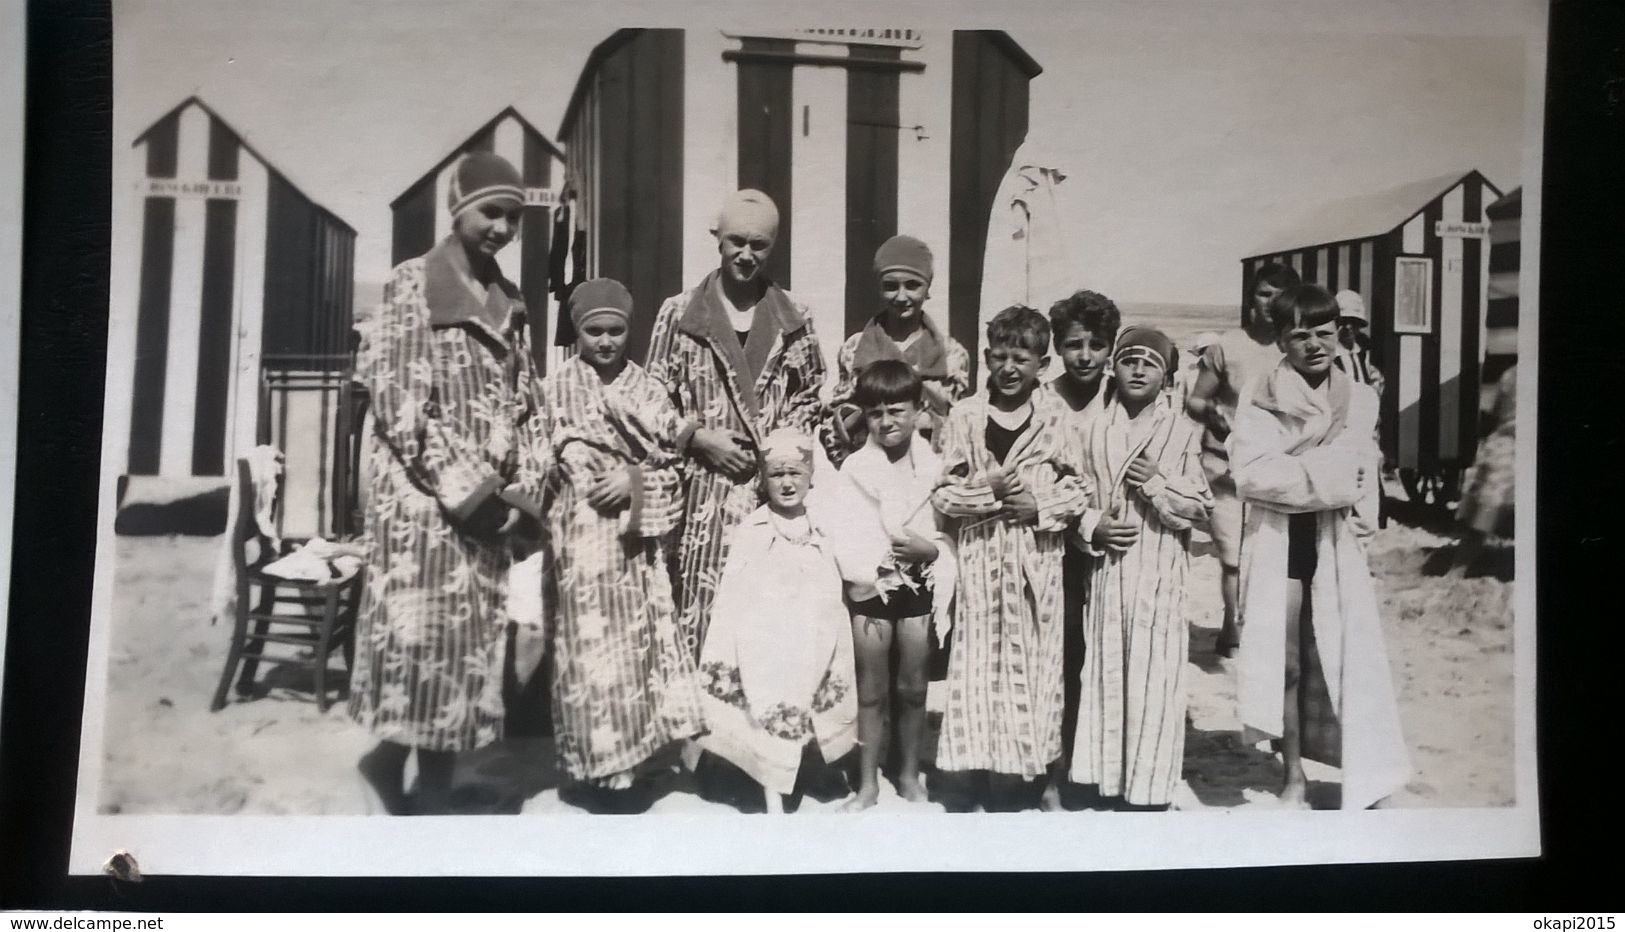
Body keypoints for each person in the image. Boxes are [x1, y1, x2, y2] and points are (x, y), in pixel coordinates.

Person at [349, 152, 548, 815]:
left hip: (487, 504)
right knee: (425, 645)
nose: (502, 228)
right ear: (457, 208)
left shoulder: (512, 300)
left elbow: (528, 401)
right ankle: (424, 791)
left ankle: (394, 767)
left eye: (514, 218)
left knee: (462, 650)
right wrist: (475, 497)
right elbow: (399, 404)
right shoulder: (411, 285)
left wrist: (527, 487)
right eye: (492, 211)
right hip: (422, 505)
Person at [1230, 283, 1410, 810]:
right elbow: (1253, 475)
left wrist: (1329, 485)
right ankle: (1294, 776)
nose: (1313, 345)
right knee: (1284, 660)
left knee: (1347, 653)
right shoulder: (1261, 395)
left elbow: (1364, 473)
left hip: (1337, 539)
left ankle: (1369, 774)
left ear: (1340, 334)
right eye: (1298, 335)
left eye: (1324, 333)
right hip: (1277, 540)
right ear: (1280, 341)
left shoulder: (1361, 399)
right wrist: (1327, 478)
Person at [537, 278, 705, 813]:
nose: (606, 341)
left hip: (633, 543)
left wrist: (633, 481)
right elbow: (538, 459)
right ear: (576, 331)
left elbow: (674, 470)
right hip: (578, 538)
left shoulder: (650, 390)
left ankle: (632, 768)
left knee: (634, 655)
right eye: (594, 331)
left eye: (616, 331)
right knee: (585, 654)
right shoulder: (555, 387)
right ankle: (590, 767)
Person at [646, 190, 827, 659]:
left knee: (768, 620)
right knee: (700, 618)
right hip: (700, 495)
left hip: (771, 497)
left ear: (775, 245)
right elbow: (649, 402)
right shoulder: (679, 313)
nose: (747, 255)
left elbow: (809, 397)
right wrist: (698, 438)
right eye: (736, 242)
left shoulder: (795, 316)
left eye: (759, 245)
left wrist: (780, 452)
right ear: (718, 239)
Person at [930, 305, 1090, 812]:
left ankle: (1040, 778)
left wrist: (1040, 506)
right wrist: (987, 490)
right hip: (980, 563)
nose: (1009, 368)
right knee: (977, 671)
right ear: (985, 358)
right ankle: (975, 782)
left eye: (1021, 358)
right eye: (999, 356)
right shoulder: (966, 416)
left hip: (1035, 563)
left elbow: (1081, 488)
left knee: (1039, 671)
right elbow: (942, 494)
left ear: (1042, 365)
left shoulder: (1055, 417)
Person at [1069, 327, 1213, 810]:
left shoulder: (1182, 433)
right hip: (1108, 575)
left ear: (1168, 378)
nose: (1137, 369)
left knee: (1155, 678)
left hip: (1160, 571)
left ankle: (1147, 789)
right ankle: (1105, 781)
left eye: (1150, 363)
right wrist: (1093, 527)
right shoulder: (1092, 430)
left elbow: (1200, 507)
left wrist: (1156, 483)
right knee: (1108, 672)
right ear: (1114, 368)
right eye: (1128, 359)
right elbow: (1074, 498)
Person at [697, 429, 857, 813]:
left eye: (795, 473)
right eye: (777, 474)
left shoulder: (819, 526)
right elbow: (735, 591)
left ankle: (810, 771)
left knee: (813, 699)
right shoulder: (755, 528)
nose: (786, 483)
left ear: (810, 477)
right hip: (768, 637)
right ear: (764, 480)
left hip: (812, 632)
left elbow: (834, 575)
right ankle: (772, 788)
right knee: (773, 700)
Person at [822, 361, 957, 811]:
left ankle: (908, 773)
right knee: (871, 689)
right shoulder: (856, 469)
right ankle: (867, 783)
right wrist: (872, 569)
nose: (886, 421)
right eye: (876, 412)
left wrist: (932, 551)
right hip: (871, 588)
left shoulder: (934, 468)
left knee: (914, 687)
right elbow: (845, 532)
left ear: (919, 410)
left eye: (897, 410)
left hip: (919, 585)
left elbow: (945, 531)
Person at [1186, 261, 1299, 658]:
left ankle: (1267, 629)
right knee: (1233, 558)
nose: (1271, 303)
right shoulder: (1226, 348)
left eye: (1280, 295)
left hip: (1279, 470)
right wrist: (1212, 414)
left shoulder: (1296, 347)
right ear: (1251, 298)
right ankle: (1232, 626)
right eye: (1264, 293)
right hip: (1225, 471)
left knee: (1271, 556)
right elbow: (1195, 400)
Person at [1035, 289, 1120, 810]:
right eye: (1073, 345)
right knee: (1061, 658)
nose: (1085, 356)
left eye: (1096, 344)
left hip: (1115, 551)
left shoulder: (1122, 396)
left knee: (1106, 658)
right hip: (1057, 546)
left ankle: (1101, 767)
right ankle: (1054, 771)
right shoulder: (1044, 399)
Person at [823, 235, 971, 465]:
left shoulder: (952, 354)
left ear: (928, 288)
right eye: (891, 287)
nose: (901, 297)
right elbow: (836, 418)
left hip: (928, 469)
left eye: (913, 285)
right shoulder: (854, 348)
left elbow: (959, 423)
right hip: (870, 468)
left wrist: (928, 423)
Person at [1453, 363, 1517, 571]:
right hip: (1510, 446)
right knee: (1484, 516)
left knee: (1482, 518)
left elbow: (1489, 416)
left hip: (1506, 447)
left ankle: (1459, 568)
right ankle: (1459, 568)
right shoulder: (1511, 374)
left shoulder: (1510, 374)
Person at [1332, 289, 1385, 394]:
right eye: (1344, 321)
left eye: (1353, 322)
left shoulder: (1363, 352)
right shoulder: (1331, 354)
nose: (1348, 326)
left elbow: (1377, 380)